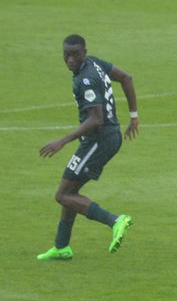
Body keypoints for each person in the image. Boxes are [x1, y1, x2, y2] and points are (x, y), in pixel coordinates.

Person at [36, 34, 138, 260]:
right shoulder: (95, 63)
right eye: (66, 55)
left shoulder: (85, 80)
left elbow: (96, 119)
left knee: (62, 195)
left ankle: (115, 221)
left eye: (75, 55)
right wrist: (134, 116)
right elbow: (126, 78)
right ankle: (61, 247)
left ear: (84, 52)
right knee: (69, 190)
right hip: (103, 137)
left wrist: (62, 141)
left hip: (99, 140)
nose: (70, 60)